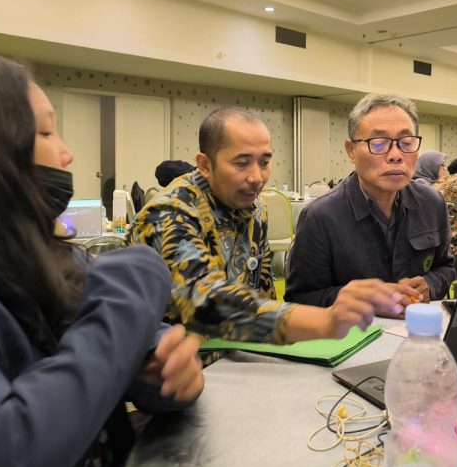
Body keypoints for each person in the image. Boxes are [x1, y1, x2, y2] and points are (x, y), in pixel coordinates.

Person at [0, 53, 203, 467]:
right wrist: (136, 280)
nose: (67, 154)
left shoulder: (52, 259)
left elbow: (108, 357)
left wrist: (163, 369)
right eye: (47, 133)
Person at [129, 107, 404, 354]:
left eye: (264, 162)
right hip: (169, 376)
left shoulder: (255, 209)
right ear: (204, 164)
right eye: (241, 162)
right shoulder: (169, 213)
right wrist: (324, 321)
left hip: (239, 361)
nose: (256, 177)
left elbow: (263, 293)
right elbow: (206, 302)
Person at [285, 94, 454, 309]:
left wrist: (430, 284)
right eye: (379, 143)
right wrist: (365, 300)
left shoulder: (432, 203)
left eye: (406, 142)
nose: (396, 155)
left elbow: (446, 267)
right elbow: (300, 298)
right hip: (351, 335)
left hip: (415, 331)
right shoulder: (321, 216)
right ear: (351, 151)